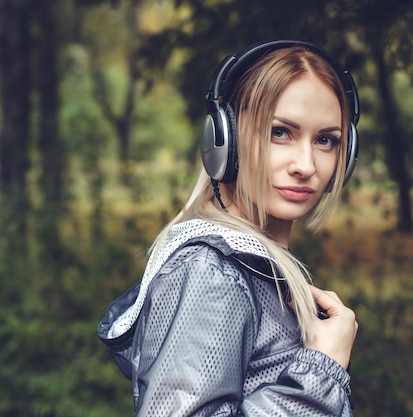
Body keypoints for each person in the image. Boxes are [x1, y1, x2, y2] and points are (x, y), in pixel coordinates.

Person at [98, 39, 360, 416]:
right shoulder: (212, 273)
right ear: (225, 140)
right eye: (280, 132)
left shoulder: (254, 269)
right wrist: (321, 371)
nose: (306, 165)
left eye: (325, 140)